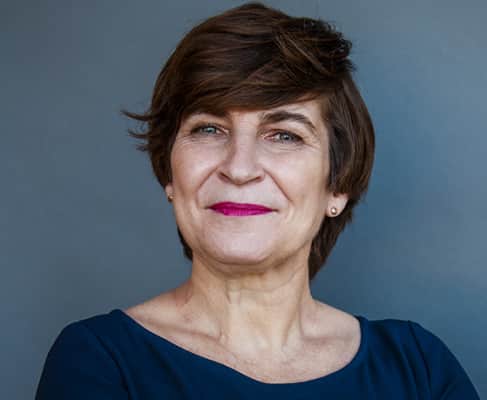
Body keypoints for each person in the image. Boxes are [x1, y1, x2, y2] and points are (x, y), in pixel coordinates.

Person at [35, 2, 480, 399]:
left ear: (337, 186)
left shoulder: (418, 369)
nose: (240, 167)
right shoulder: (100, 362)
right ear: (170, 173)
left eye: (284, 135)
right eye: (209, 129)